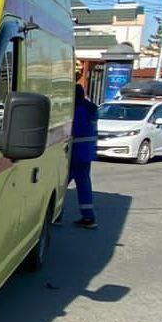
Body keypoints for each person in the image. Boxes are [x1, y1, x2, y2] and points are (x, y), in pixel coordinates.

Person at [70, 82, 98, 228]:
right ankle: (88, 216)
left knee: (60, 184)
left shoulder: (79, 109)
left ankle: (56, 215)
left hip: (76, 152)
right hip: (87, 152)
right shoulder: (91, 108)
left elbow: (76, 130)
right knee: (84, 184)